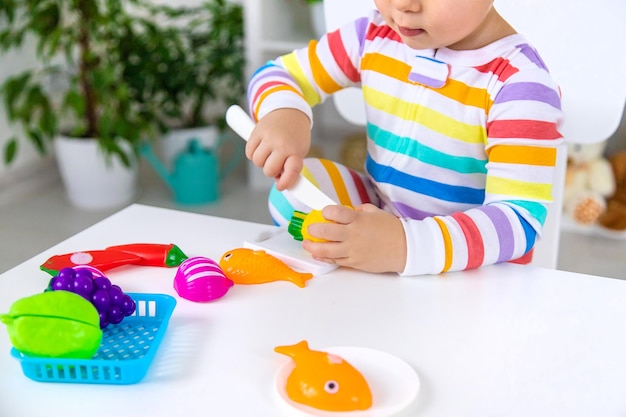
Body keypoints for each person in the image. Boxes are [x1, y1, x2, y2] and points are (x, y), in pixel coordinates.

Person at [245, 0, 563, 276]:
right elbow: (279, 73)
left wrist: (405, 245)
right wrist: (285, 114)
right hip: (382, 212)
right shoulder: (374, 34)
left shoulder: (521, 85)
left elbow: (519, 220)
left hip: (471, 267)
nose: (403, 5)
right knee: (295, 194)